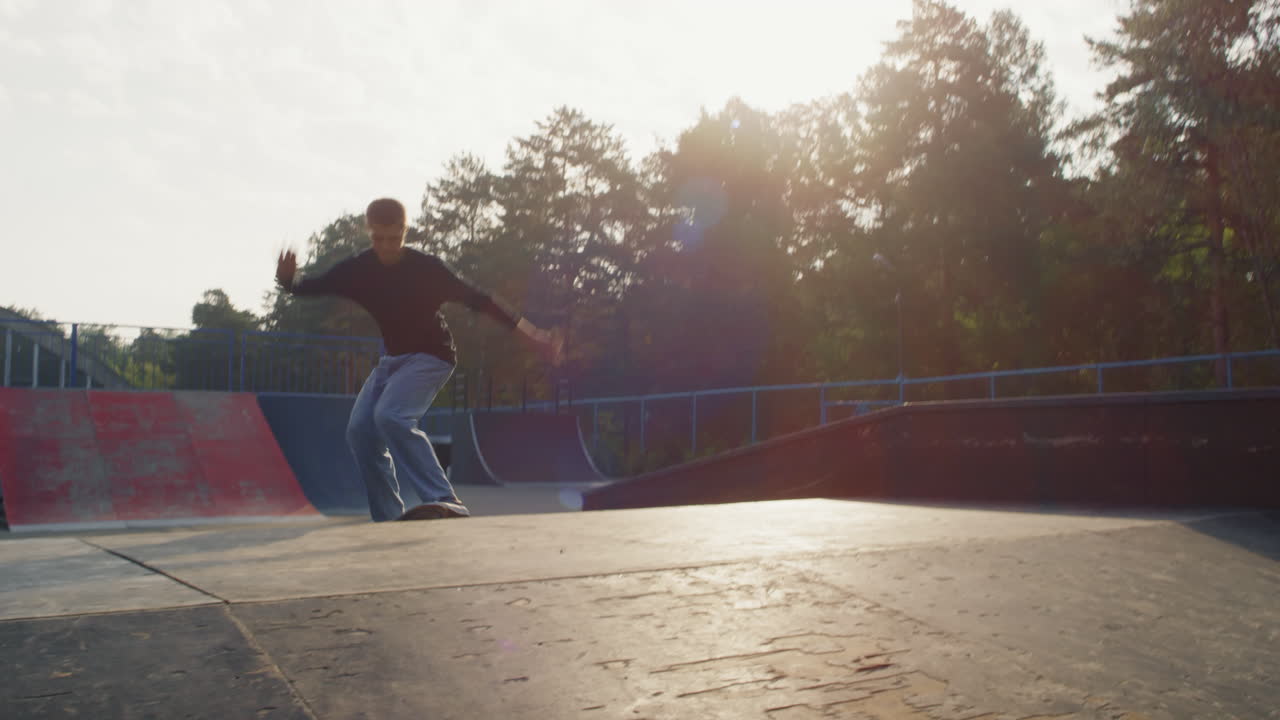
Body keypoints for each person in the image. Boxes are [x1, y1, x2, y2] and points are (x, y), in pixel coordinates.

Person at [275, 197, 563, 522]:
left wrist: (533, 335)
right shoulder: (359, 269)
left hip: (432, 356)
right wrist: (287, 280)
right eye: (377, 239)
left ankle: (444, 499)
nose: (385, 247)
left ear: (404, 231)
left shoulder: (426, 269)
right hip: (391, 361)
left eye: (393, 239)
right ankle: (388, 518)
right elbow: (314, 286)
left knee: (391, 416)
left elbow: (480, 300)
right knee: (359, 430)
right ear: (369, 233)